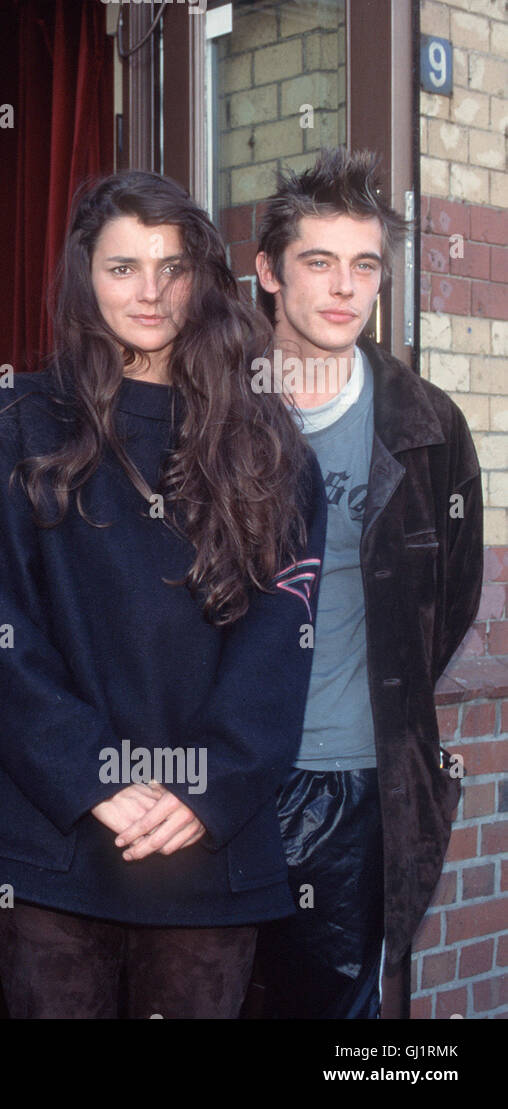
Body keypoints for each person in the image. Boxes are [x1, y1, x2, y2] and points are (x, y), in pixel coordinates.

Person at [0, 170, 328, 1019]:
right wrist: (93, 777)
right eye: (123, 267)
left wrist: (204, 789)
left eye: (172, 266)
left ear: (203, 278)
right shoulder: (13, 422)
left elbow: (280, 646)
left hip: (205, 840)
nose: (150, 291)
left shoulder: (269, 444)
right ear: (85, 276)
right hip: (54, 832)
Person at [249, 148, 483, 1019]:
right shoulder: (215, 409)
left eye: (365, 265)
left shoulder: (425, 426)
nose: (345, 287)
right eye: (319, 261)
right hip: (218, 781)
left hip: (354, 785)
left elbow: (449, 597)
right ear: (270, 271)